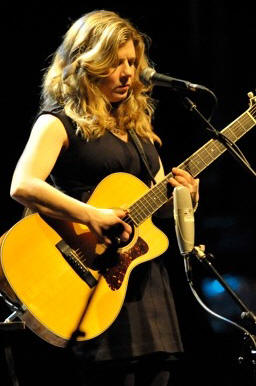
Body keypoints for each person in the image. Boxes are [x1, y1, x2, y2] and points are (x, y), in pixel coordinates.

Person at [10, 9, 199, 386]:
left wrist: (186, 198)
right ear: (88, 62)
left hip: (142, 283)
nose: (129, 72)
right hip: (88, 280)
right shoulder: (58, 121)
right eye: (116, 62)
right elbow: (23, 185)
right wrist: (92, 216)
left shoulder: (140, 134)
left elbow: (160, 215)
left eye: (133, 62)